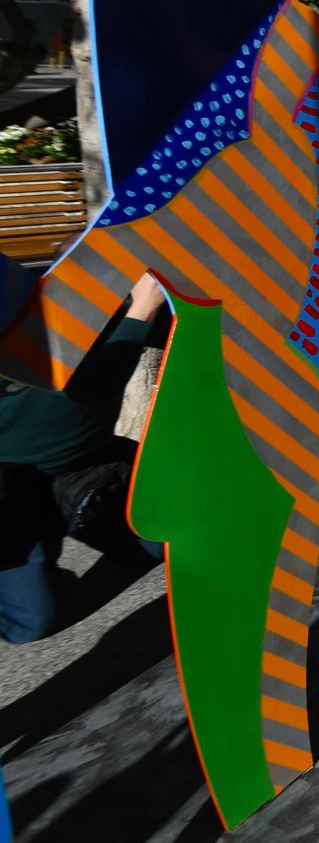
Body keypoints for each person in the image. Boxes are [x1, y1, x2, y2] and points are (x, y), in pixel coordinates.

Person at [1, 274, 168, 644]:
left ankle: (86, 520)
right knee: (30, 623)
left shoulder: (56, 291)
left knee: (164, 540)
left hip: (82, 466)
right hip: (9, 491)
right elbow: (88, 392)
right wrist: (142, 310)